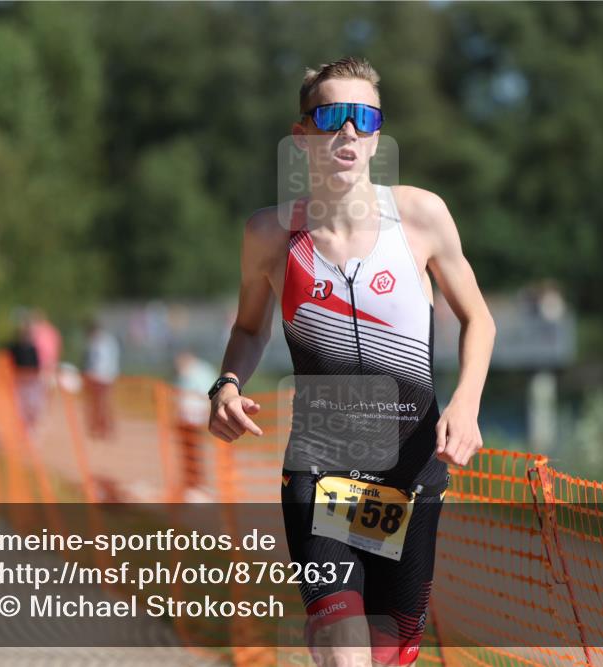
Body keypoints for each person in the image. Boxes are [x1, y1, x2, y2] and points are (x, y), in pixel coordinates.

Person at [208, 57, 496, 667]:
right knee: (345, 654)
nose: (348, 133)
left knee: (392, 655)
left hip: (412, 473)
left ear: (376, 135)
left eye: (364, 119)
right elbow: (248, 326)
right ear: (303, 133)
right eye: (332, 117)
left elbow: (479, 319)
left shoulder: (419, 217)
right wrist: (226, 385)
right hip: (321, 471)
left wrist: (466, 404)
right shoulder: (270, 234)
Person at [173, 350, 218, 501]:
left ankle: (196, 483)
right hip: (186, 417)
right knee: (189, 452)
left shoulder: (199, 372)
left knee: (193, 452)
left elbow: (209, 393)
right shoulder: (189, 372)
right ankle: (192, 482)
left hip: (194, 418)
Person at [82, 319, 120, 440]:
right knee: (98, 404)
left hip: (102, 377)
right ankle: (98, 427)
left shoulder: (104, 342)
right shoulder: (98, 341)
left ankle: (105, 428)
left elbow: (101, 362)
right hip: (100, 377)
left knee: (103, 404)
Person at [7, 317, 43, 433]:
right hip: (18, 381)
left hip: (31, 382)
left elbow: (37, 366)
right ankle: (20, 427)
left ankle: (30, 427)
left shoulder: (33, 349)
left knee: (32, 406)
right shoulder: (15, 347)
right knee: (19, 406)